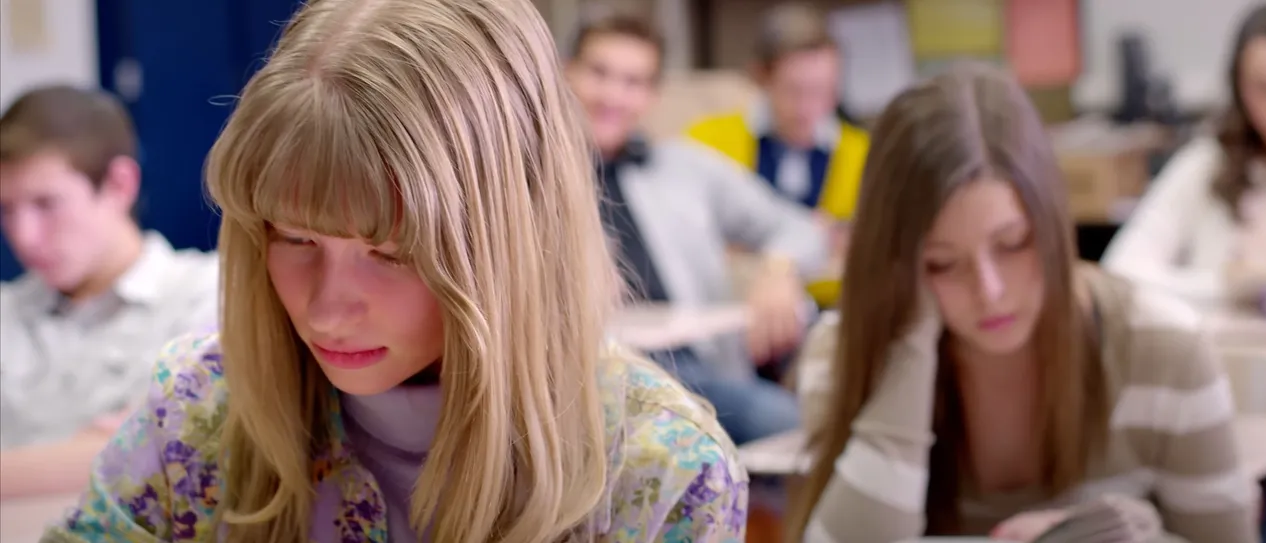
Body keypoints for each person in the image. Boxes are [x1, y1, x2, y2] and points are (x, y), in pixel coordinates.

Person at [43, 0, 747, 541]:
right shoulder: (200, 408)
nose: (326, 310)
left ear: (512, 245)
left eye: (392, 252)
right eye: (294, 239)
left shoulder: (662, 473)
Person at [788, 64, 1258, 543]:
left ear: (1052, 222)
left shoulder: (1162, 347)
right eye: (940, 264)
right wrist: (909, 349)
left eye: (1013, 244)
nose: (989, 290)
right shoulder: (842, 351)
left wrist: (1122, 535)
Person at [564, 12, 828, 445]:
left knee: (799, 422)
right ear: (566, 72)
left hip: (698, 368)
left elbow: (801, 228)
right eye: (599, 73)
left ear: (652, 95)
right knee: (785, 423)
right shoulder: (525, 180)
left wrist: (779, 269)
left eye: (633, 82)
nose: (613, 95)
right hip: (592, 378)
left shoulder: (689, 167)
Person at [0, 86, 219, 499]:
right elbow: (137, 458)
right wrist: (118, 448)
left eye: (46, 203)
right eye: (7, 209)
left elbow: (192, 458)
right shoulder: (6, 313)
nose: (23, 237)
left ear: (120, 184)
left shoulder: (204, 295)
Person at [687, 2, 870, 307]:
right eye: (794, 91)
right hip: (732, 310)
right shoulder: (708, 141)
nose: (808, 108)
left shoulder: (863, 153)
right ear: (761, 77)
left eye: (822, 91)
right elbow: (689, 238)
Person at [1103, 4, 1266, 315]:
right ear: (1238, 89)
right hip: (1226, 356)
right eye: (1263, 88)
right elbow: (1119, 271)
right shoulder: (1208, 164)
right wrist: (1222, 286)